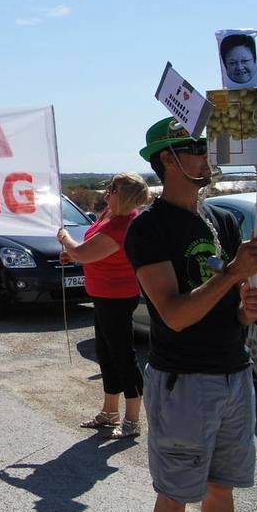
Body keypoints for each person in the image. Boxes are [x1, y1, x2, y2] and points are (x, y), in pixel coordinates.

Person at [124, 119, 257, 512]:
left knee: (221, 489)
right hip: (183, 381)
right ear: (167, 158)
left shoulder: (222, 222)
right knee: (175, 495)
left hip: (233, 372)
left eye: (209, 148)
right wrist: (233, 272)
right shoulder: (150, 227)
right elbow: (176, 314)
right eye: (196, 148)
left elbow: (230, 309)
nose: (209, 156)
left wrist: (248, 306)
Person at [57, 172, 151, 439]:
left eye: (112, 188)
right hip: (102, 294)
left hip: (117, 296)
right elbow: (88, 251)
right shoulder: (108, 215)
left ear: (124, 196)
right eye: (109, 185)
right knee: (106, 352)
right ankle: (109, 412)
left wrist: (67, 241)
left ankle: (132, 419)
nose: (106, 191)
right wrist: (73, 253)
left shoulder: (121, 224)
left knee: (122, 354)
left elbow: (84, 251)